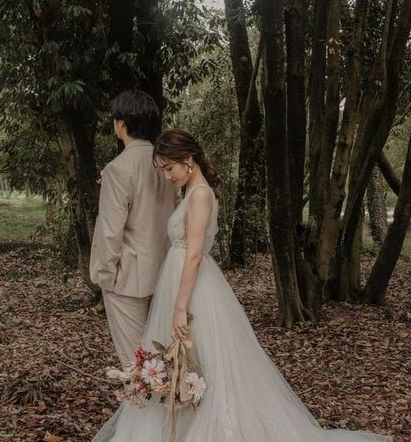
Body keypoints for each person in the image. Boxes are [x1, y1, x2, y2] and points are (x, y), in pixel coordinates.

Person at [92, 129, 392, 441]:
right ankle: (180, 417)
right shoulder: (190, 192)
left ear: (188, 159)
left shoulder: (200, 195)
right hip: (178, 282)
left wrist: (180, 306)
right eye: (163, 170)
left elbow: (194, 254)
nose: (167, 176)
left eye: (169, 168)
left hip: (191, 287)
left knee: (205, 356)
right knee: (183, 357)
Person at [90, 90, 177, 368]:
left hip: (127, 277)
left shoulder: (118, 168)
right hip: (164, 272)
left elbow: (110, 231)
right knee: (158, 357)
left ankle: (144, 398)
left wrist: (106, 277)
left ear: (122, 123)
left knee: (136, 362)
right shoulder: (167, 165)